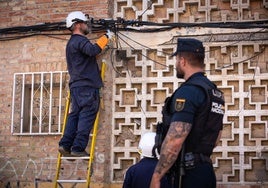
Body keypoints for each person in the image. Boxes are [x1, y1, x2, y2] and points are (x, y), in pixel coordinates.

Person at [150, 38, 225, 188]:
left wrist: (157, 176)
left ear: (182, 61)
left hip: (188, 173)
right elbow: (216, 138)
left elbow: (175, 140)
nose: (176, 64)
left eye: (177, 60)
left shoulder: (189, 91)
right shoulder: (215, 93)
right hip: (206, 171)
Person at [58, 11, 113, 157]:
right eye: (84, 23)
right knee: (87, 115)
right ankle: (78, 148)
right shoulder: (79, 40)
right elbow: (92, 50)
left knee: (74, 115)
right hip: (87, 87)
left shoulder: (71, 43)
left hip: (76, 87)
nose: (87, 26)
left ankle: (65, 144)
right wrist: (106, 37)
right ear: (77, 25)